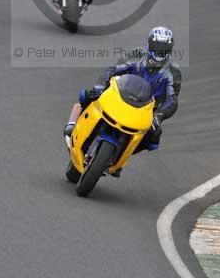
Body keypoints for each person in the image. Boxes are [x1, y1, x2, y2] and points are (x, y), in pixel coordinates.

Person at [64, 26, 182, 171]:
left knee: (153, 137)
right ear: (149, 44)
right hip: (119, 94)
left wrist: (158, 116)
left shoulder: (173, 71)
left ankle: (121, 153)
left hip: (145, 108)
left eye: (164, 48)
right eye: (157, 47)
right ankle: (72, 124)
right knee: (87, 95)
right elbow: (114, 69)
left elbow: (172, 99)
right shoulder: (137, 54)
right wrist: (101, 86)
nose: (159, 51)